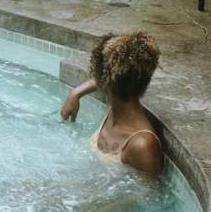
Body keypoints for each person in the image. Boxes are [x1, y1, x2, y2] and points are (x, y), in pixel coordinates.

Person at [61, 31, 164, 177]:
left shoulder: (142, 145)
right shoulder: (115, 105)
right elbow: (112, 76)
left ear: (106, 82)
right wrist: (76, 93)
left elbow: (150, 197)